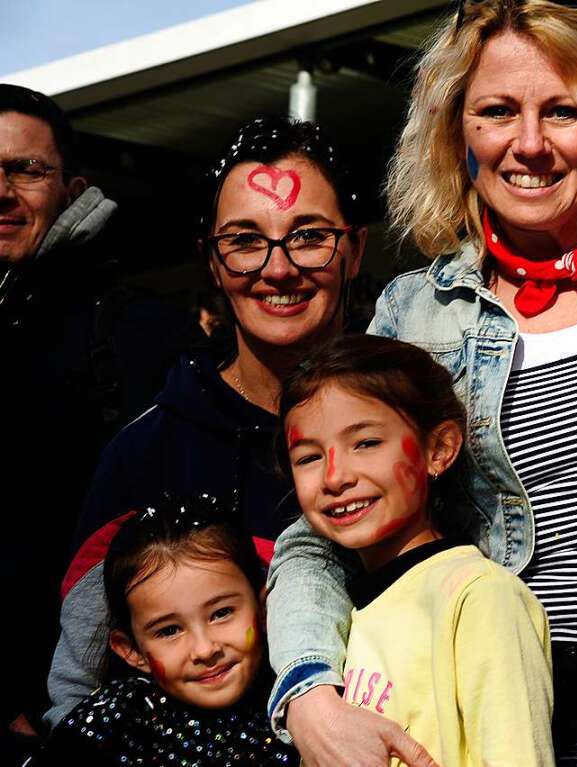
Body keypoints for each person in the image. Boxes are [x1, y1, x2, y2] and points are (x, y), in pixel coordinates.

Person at [264, 2, 577, 765]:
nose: (529, 144)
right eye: (495, 112)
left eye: (561, 111)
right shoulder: (414, 314)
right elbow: (316, 538)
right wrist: (310, 690)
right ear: (457, 132)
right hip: (494, 738)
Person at [45, 115, 368, 729]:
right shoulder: (145, 453)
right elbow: (82, 678)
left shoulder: (416, 422)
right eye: (245, 241)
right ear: (212, 264)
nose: (278, 269)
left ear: (353, 248)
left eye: (308, 236)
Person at [0, 84, 191, 758]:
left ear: (71, 187)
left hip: (66, 721)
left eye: (26, 169)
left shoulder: (138, 333)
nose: (2, 191)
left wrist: (43, 702)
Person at [280, 333, 555, 766]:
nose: (334, 477)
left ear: (439, 449)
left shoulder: (478, 597)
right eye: (309, 457)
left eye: (366, 443)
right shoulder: (341, 612)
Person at [31, 495, 299, 765]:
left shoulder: (302, 704)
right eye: (169, 631)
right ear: (132, 650)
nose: (205, 650)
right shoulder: (111, 723)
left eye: (221, 613)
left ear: (264, 608)